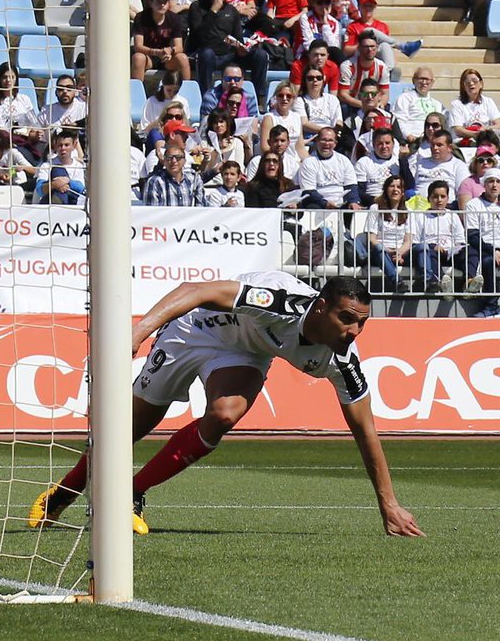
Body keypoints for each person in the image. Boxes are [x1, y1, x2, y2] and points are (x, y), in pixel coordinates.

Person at [28, 272, 425, 538]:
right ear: (321, 308)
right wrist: (138, 331)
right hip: (196, 330)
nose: (354, 331)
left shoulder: (341, 360)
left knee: (223, 415)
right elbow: (195, 290)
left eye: (362, 324)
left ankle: (131, 492)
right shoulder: (280, 302)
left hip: (245, 354)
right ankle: (64, 493)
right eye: (347, 319)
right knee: (127, 431)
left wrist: (389, 506)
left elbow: (366, 431)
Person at [187, 0, 269, 101]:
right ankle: (207, 97)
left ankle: (259, 99)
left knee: (260, 55)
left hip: (228, 54)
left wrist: (241, 49)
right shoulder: (197, 7)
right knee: (206, 53)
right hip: (208, 54)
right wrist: (213, 11)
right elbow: (198, 36)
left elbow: (238, 38)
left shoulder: (231, 10)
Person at [343, 0, 421, 83]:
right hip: (361, 56)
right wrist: (365, 45)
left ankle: (387, 72)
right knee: (369, 31)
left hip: (377, 58)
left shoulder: (383, 26)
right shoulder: (353, 26)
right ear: (359, 7)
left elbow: (388, 49)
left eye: (371, 6)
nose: (368, 8)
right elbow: (346, 51)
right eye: (365, 6)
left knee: (384, 45)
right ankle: (403, 46)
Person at [354, 174, 411, 292]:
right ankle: (397, 281)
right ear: (386, 190)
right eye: (392, 186)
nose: (395, 189)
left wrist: (399, 253)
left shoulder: (408, 210)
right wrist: (388, 250)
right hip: (380, 252)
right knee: (379, 248)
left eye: (399, 187)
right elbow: (372, 238)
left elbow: (408, 240)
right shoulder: (376, 208)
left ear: (403, 192)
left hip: (400, 252)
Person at [410, 180, 466, 295]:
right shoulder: (420, 217)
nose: (439, 200)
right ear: (428, 198)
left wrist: (455, 248)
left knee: (470, 251)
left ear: (447, 198)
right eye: (435, 197)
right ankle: (439, 281)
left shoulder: (453, 215)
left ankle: (469, 281)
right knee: (427, 252)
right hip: (432, 251)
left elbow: (460, 239)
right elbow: (415, 242)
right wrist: (433, 246)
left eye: (442, 196)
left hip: (451, 253)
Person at [132, 0, 191, 80]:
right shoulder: (141, 17)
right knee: (138, 58)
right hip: (148, 56)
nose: (162, 4)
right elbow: (138, 46)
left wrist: (170, 50)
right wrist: (156, 52)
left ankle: (187, 91)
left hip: (167, 58)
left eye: (165, 1)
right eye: (158, 0)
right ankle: (136, 92)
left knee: (182, 58)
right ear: (150, 2)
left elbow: (179, 46)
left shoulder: (174, 18)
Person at [462, 171, 500, 311]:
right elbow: (472, 236)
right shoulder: (474, 205)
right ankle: (491, 306)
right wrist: (493, 250)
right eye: (491, 181)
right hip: (484, 248)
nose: (494, 185)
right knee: (488, 262)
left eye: (498, 181)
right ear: (484, 185)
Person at [297, 126, 361, 209]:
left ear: (335, 143)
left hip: (341, 203)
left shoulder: (344, 160)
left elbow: (351, 185)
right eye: (323, 140)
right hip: (318, 204)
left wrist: (353, 201)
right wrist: (325, 203)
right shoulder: (308, 163)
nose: (326, 143)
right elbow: (309, 191)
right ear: (317, 141)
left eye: (330, 140)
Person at [26, 73, 88, 157]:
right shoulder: (47, 110)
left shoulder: (84, 108)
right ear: (56, 92)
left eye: (69, 88)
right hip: (52, 156)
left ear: (75, 91)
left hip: (78, 157)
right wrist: (36, 135)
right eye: (61, 89)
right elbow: (32, 133)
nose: (65, 92)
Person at [0, 62, 38, 141]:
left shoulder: (24, 99)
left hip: (22, 140)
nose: (8, 80)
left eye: (12, 77)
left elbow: (34, 124)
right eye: (4, 77)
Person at [408, 130, 468, 202]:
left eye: (439, 145)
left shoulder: (459, 166)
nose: (435, 148)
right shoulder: (420, 163)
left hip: (446, 209)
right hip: (419, 209)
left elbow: (463, 193)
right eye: (432, 145)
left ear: (449, 147)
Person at [337, 31, 389, 114]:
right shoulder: (348, 66)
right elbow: (343, 95)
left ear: (377, 47)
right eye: (365, 47)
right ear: (359, 48)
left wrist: (380, 104)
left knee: (386, 108)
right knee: (343, 107)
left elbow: (385, 93)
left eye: (372, 46)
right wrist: (364, 104)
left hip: (373, 103)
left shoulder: (382, 67)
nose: (369, 50)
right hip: (353, 104)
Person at [393, 68, 444, 148]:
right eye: (421, 79)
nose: (424, 82)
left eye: (427, 79)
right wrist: (409, 136)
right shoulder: (405, 98)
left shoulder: (437, 104)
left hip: (432, 142)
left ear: (432, 82)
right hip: (413, 142)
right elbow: (399, 120)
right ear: (414, 80)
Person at [448, 68, 500, 146]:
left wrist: (486, 129)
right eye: (467, 82)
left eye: (474, 81)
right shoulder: (456, 104)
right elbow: (458, 130)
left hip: (486, 142)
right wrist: (475, 134)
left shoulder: (488, 102)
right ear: (463, 86)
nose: (471, 84)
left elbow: (498, 124)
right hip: (464, 144)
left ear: (481, 84)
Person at [354, 127, 400, 206]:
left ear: (393, 144)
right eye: (380, 143)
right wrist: (376, 201)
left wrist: (404, 159)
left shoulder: (398, 162)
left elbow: (408, 186)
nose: (384, 146)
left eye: (387, 143)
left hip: (394, 203)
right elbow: (359, 190)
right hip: (371, 203)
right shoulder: (364, 162)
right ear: (373, 144)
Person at [297, 66, 342, 146]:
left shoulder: (332, 99)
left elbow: (338, 122)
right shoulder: (299, 100)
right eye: (310, 78)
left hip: (331, 138)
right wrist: (326, 132)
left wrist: (328, 134)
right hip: (310, 138)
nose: (315, 80)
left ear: (323, 80)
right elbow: (304, 124)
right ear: (305, 81)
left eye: (318, 78)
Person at [295, 0, 342, 64]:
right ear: (313, 3)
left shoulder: (335, 23)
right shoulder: (305, 18)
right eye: (319, 3)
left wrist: (325, 24)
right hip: (306, 56)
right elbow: (308, 46)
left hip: (326, 56)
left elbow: (334, 47)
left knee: (336, 54)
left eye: (327, 2)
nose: (324, 6)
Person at [260, 82, 304, 157]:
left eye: (288, 96)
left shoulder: (297, 117)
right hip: (275, 160)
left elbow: (300, 147)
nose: (284, 99)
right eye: (281, 96)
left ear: (294, 98)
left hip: (294, 161)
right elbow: (265, 147)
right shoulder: (269, 118)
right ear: (276, 97)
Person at [457, 145, 497, 210]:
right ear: (475, 163)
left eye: (489, 160)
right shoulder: (466, 184)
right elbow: (464, 213)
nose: (485, 163)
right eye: (481, 160)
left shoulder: (498, 182)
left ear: (493, 163)